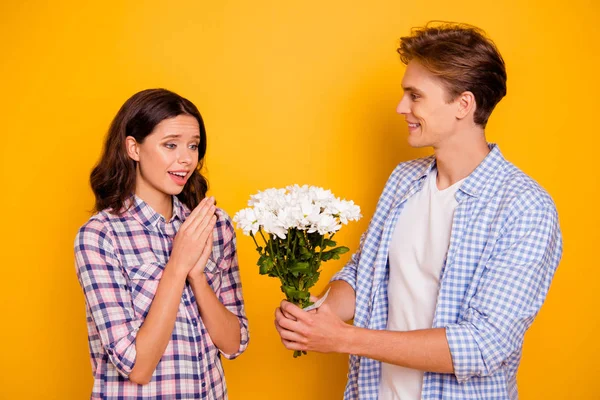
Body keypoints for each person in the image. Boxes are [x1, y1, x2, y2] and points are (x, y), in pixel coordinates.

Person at [274, 23, 563, 400]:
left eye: (415, 96)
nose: (401, 107)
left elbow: (483, 344)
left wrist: (345, 339)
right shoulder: (404, 180)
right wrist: (318, 314)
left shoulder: (525, 207)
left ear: (464, 104)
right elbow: (367, 273)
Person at [74, 88, 249, 399]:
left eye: (193, 146)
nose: (186, 159)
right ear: (134, 148)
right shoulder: (100, 236)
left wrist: (197, 276)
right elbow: (138, 367)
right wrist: (178, 266)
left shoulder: (213, 224)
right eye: (170, 145)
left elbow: (234, 343)